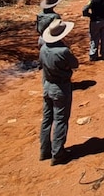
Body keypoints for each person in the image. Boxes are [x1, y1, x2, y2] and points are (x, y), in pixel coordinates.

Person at [39, 18, 79, 165]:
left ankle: (44, 151)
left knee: (46, 119)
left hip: (47, 86)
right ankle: (58, 153)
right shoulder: (63, 50)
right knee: (61, 120)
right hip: (61, 88)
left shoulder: (43, 48)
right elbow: (75, 64)